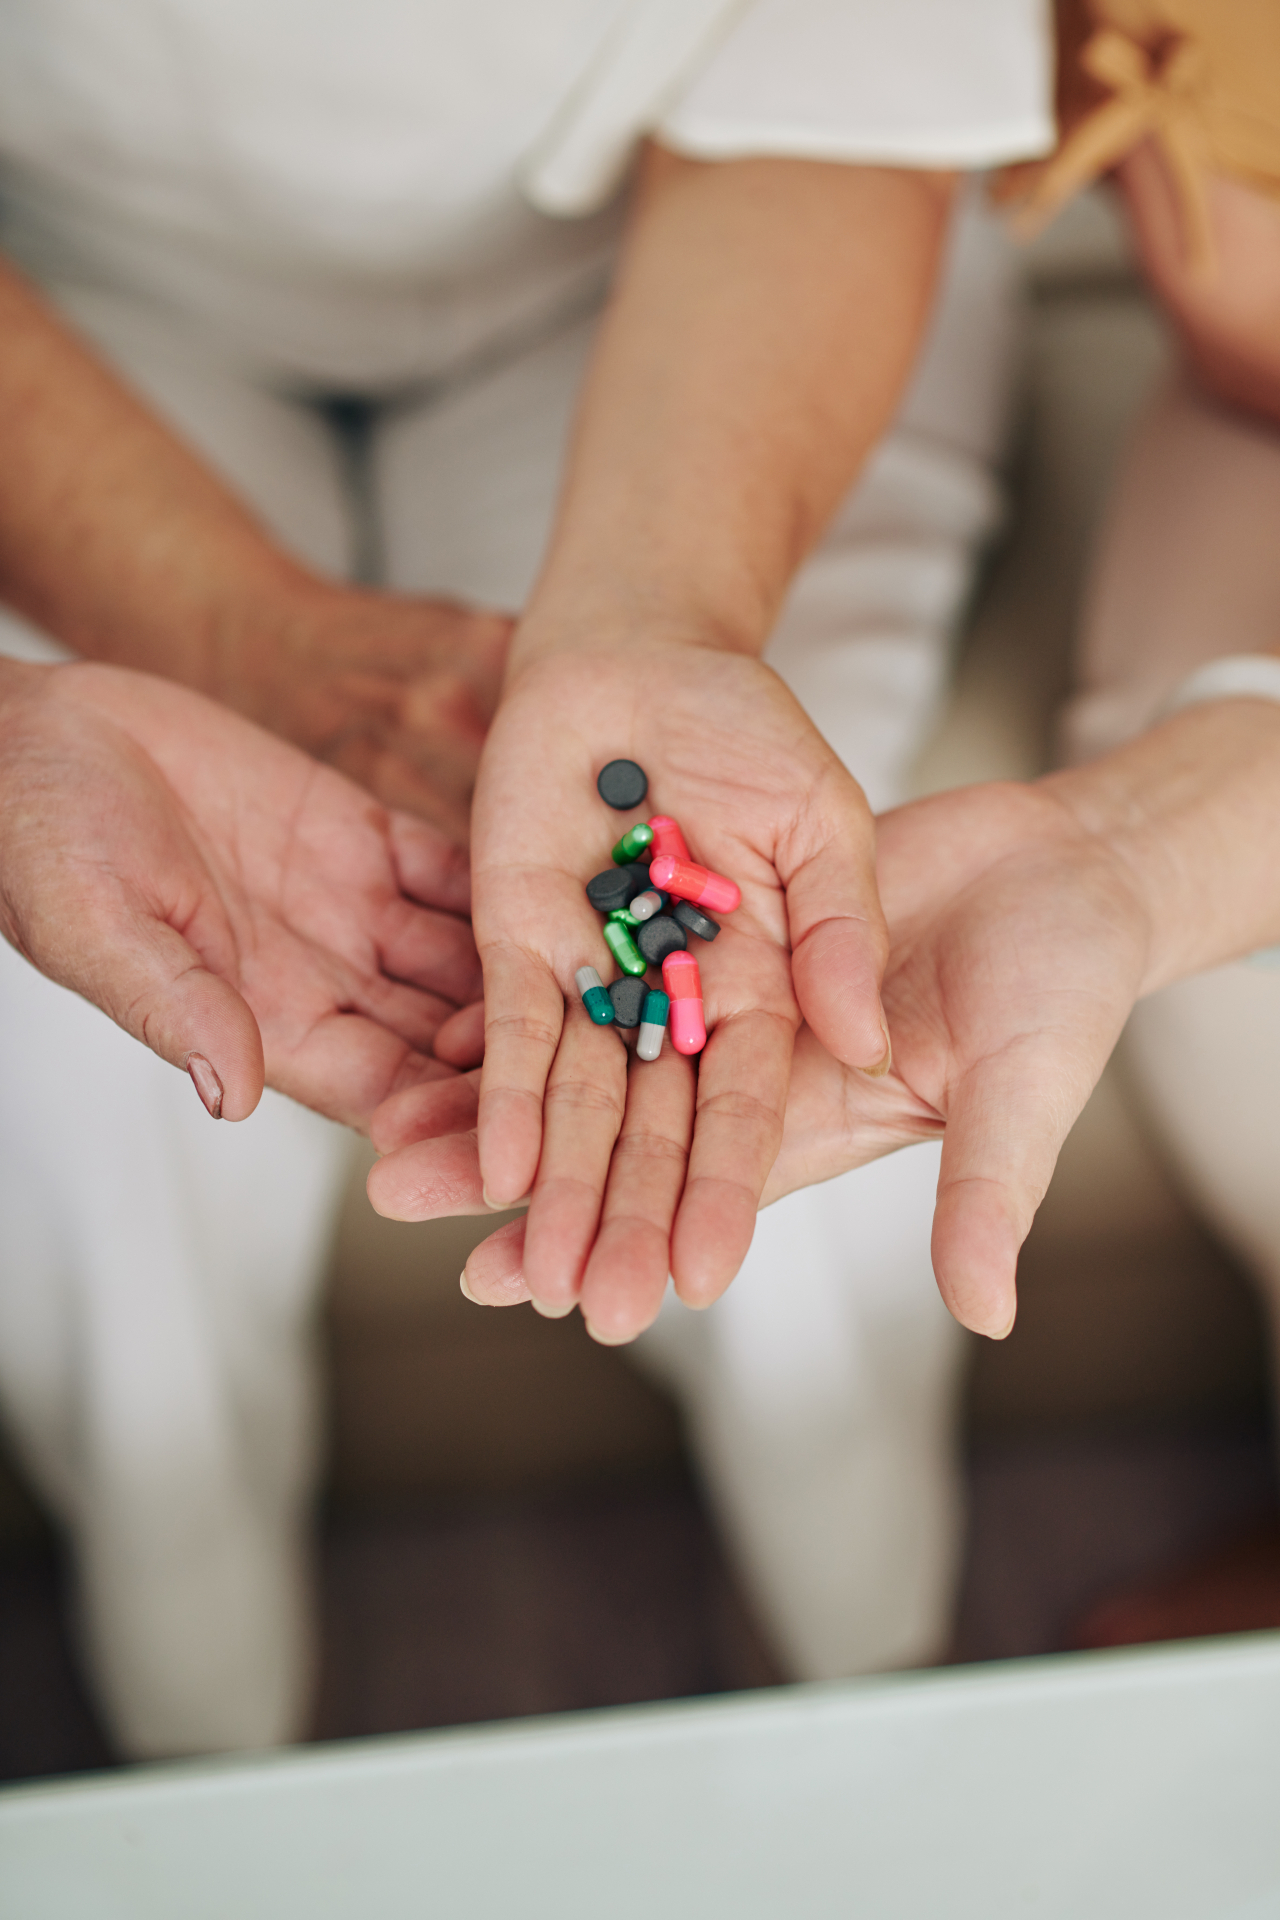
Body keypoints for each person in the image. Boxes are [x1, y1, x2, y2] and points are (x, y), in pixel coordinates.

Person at [0, 0, 1054, 1743]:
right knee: (78, 1051)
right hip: (69, 284)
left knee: (793, 1068)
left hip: (711, 267)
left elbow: (847, 85)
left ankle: (878, 1675)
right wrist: (223, 631)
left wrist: (658, 609)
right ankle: (192, 1696)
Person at [0, 655, 483, 1747]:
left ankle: (860, 1677)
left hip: (634, 519)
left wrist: (647, 607)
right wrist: (277, 633)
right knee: (92, 1082)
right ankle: (217, 1749)